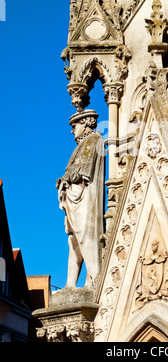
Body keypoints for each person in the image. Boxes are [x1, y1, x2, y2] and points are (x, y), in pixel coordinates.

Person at [57, 110, 105, 288]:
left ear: (86, 123)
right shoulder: (84, 144)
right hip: (75, 199)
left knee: (86, 237)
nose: (72, 130)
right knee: (74, 242)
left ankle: (92, 280)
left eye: (74, 125)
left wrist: (66, 179)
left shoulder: (94, 141)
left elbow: (82, 173)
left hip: (84, 200)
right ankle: (70, 284)